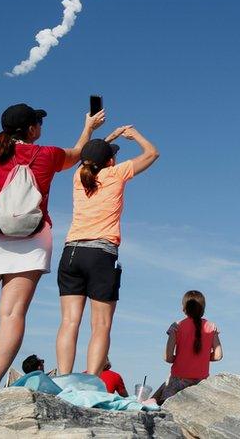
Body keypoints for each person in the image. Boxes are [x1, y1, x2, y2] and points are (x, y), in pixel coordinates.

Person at [0, 104, 104, 399]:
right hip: (32, 240)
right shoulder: (48, 154)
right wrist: (89, 127)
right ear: (32, 129)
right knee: (12, 315)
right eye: (39, 122)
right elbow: (78, 153)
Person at [55, 127, 159, 375]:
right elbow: (152, 153)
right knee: (100, 325)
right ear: (110, 161)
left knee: (69, 322)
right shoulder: (116, 173)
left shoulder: (78, 176)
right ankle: (91, 379)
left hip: (71, 252)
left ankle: (63, 376)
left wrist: (106, 139)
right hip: (101, 254)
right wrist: (135, 135)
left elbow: (88, 156)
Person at [156, 290, 222, 404]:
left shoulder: (176, 326)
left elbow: (168, 358)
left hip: (178, 380)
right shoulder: (211, 327)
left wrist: (182, 357)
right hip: (201, 382)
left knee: (161, 403)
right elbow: (218, 356)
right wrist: (203, 356)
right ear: (203, 309)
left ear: (184, 309)